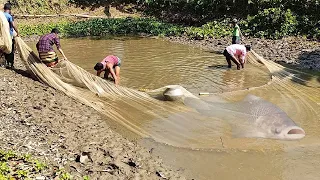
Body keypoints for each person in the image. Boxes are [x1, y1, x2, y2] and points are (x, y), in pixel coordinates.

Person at [3, 2, 19, 69]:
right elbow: (13, 25)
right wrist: (18, 32)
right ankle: (10, 64)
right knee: (11, 49)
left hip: (2, 36)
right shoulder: (9, 16)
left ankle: (3, 63)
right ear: (9, 9)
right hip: (9, 35)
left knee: (3, 49)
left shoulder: (1, 15)